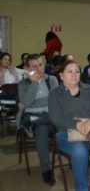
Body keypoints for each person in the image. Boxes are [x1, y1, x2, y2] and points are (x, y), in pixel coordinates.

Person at [49, 60, 90, 191]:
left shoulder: (88, 89)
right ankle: (81, 188)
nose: (74, 75)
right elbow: (55, 118)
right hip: (66, 132)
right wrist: (76, 124)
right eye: (70, 72)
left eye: (77, 71)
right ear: (61, 75)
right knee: (80, 151)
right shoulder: (55, 94)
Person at [17, 54, 59, 185]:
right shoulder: (23, 83)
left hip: (51, 115)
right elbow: (27, 103)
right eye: (34, 66)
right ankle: (46, 171)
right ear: (27, 68)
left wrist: (29, 102)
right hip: (34, 117)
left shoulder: (51, 79)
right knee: (41, 131)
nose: (39, 68)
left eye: (41, 65)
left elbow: (55, 100)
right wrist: (34, 83)